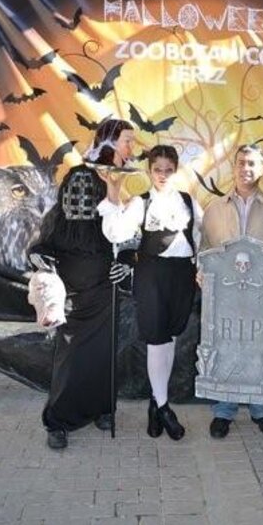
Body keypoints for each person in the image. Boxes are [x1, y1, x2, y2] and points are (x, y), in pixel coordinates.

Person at [28, 118, 135, 449]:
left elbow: (126, 231)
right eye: (127, 140)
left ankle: (102, 409)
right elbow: (74, 231)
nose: (132, 147)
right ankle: (58, 421)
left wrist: (126, 260)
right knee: (71, 352)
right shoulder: (82, 177)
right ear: (110, 141)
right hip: (76, 282)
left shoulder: (121, 177)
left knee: (103, 352)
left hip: (106, 284)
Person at [97, 144, 202, 441]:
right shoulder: (140, 203)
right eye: (158, 170)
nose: (163, 175)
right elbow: (115, 233)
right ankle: (165, 410)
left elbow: (200, 237)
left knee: (170, 338)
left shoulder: (189, 202)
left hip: (182, 275)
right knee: (157, 341)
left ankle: (155, 404)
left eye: (169, 170)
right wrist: (113, 192)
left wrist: (201, 267)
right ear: (149, 170)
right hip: (152, 275)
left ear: (176, 170)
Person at [200, 144, 263, 439]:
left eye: (252, 163)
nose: (246, 169)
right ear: (234, 167)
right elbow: (205, 248)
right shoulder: (214, 209)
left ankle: (261, 411)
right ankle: (223, 411)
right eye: (241, 162)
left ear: (261, 169)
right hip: (225, 296)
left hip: (262, 294)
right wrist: (201, 271)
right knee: (225, 344)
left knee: (261, 346)